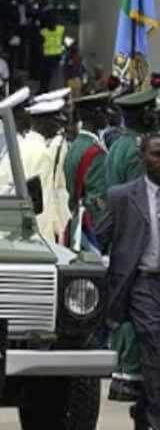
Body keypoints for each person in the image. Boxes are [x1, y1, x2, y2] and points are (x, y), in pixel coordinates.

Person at [96, 132, 160, 430]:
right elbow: (99, 238)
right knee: (154, 344)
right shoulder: (122, 197)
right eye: (155, 154)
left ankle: (144, 408)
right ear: (143, 158)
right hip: (142, 284)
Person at [103, 89, 158, 404]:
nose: (153, 114)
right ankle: (133, 377)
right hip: (138, 238)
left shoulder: (116, 145)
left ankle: (125, 373)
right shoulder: (137, 151)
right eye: (149, 110)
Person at [27, 96, 71, 243]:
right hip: (40, 231)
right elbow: (44, 197)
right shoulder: (42, 153)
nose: (58, 126)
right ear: (42, 122)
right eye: (54, 121)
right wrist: (49, 235)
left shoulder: (24, 144)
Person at [64, 93, 109, 226]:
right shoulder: (96, 152)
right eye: (105, 112)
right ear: (96, 115)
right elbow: (96, 202)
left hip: (76, 218)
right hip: (91, 227)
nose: (107, 116)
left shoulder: (77, 144)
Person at [39, 13, 65, 92]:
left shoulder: (44, 32)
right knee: (55, 75)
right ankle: (54, 89)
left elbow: (40, 43)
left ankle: (45, 89)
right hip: (57, 55)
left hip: (47, 56)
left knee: (46, 75)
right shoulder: (61, 29)